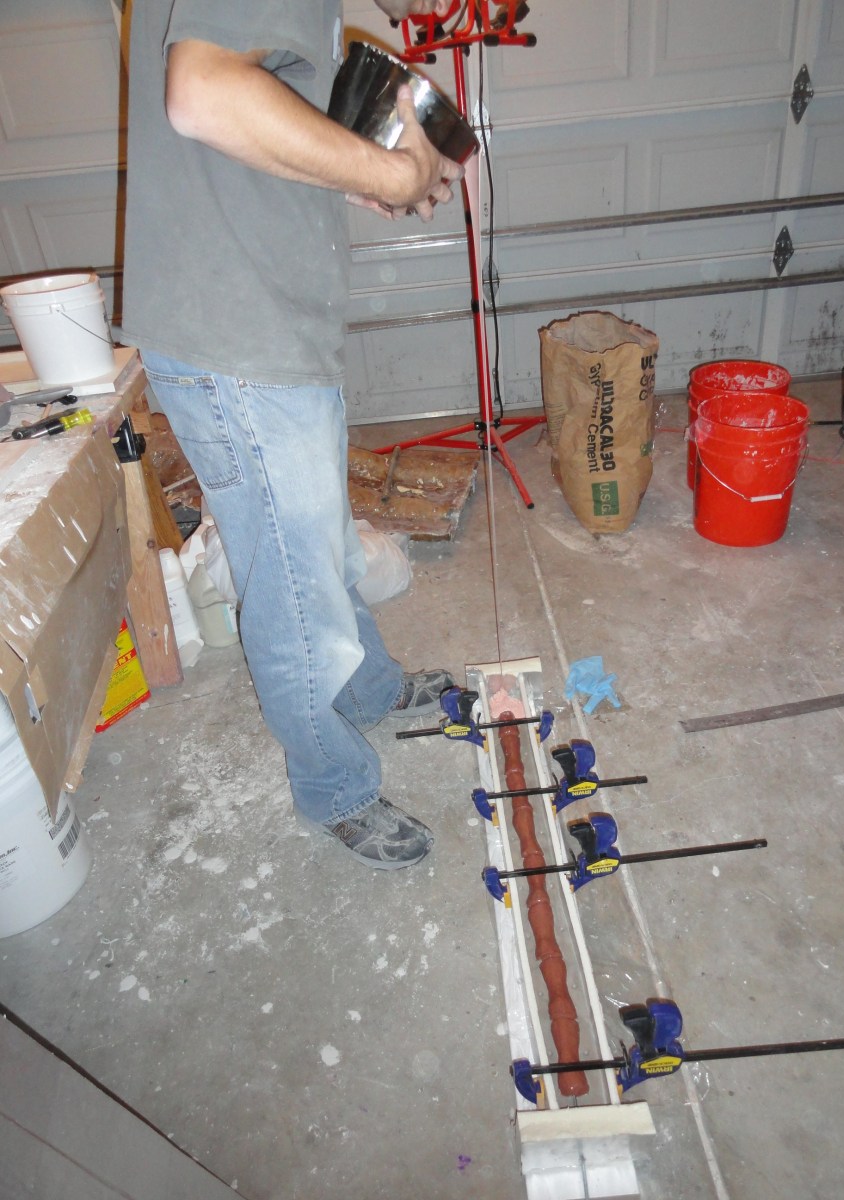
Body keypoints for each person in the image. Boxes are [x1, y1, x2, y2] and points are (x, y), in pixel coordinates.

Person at [120, 0, 465, 870]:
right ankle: (332, 787)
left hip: (263, 323)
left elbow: (248, 124)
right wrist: (392, 175)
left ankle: (368, 690)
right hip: (240, 334)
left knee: (315, 551)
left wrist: (346, 167)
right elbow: (203, 94)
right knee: (293, 587)